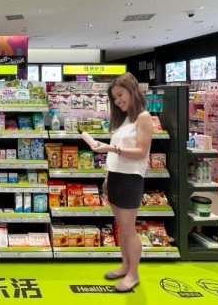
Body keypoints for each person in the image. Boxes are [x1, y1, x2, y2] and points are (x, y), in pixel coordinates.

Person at [87, 72, 151, 292]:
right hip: (115, 177)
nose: (118, 101)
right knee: (122, 228)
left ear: (132, 91)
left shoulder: (143, 117)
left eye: (120, 95)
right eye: (114, 97)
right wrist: (107, 176)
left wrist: (111, 148)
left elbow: (141, 152)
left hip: (130, 179)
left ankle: (134, 274)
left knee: (129, 229)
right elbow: (117, 155)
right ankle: (125, 266)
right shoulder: (125, 119)